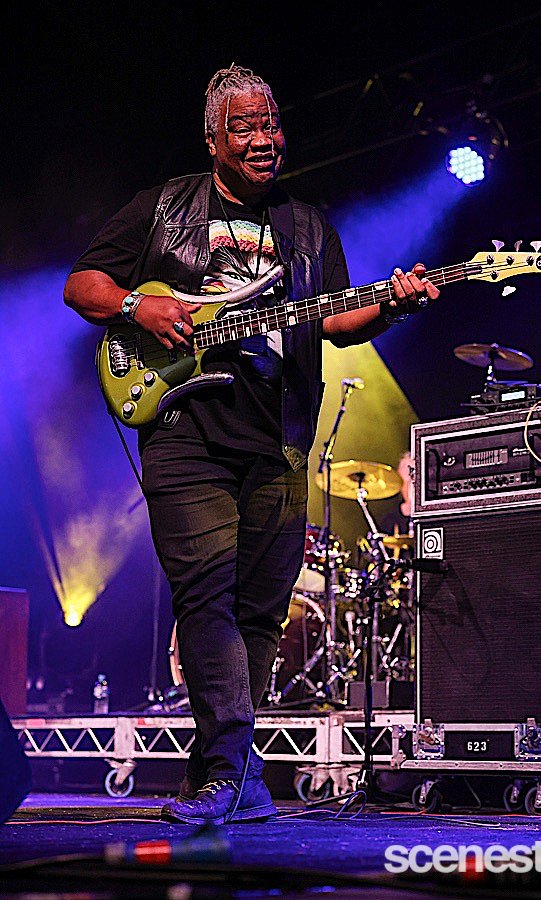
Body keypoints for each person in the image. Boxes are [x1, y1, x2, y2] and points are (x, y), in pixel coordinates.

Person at [63, 63, 440, 825]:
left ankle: (225, 775)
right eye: (245, 127)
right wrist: (139, 303)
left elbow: (333, 321)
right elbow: (82, 286)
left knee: (261, 613)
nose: (264, 138)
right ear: (214, 140)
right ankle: (236, 773)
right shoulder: (164, 207)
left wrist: (392, 307)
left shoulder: (307, 228)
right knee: (205, 596)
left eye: (271, 123)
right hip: (185, 432)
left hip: (281, 438)